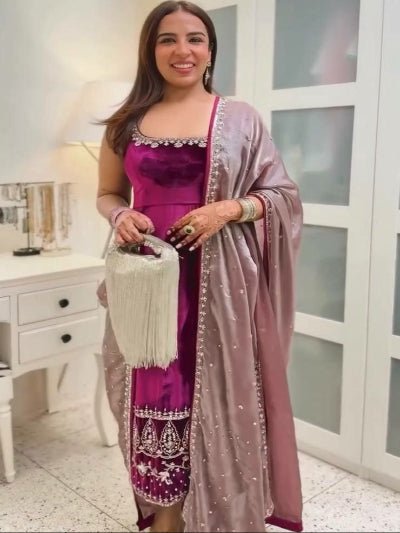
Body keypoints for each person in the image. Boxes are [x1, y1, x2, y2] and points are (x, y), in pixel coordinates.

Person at [96, 1, 303, 532]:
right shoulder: (125, 123)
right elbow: (107, 193)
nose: (182, 51)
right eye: (167, 39)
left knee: (218, 395)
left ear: (211, 50)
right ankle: (167, 517)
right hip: (149, 283)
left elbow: (281, 194)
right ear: (150, 50)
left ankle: (221, 515)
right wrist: (120, 214)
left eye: (195, 39)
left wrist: (227, 210)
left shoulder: (239, 118)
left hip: (221, 283)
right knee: (154, 391)